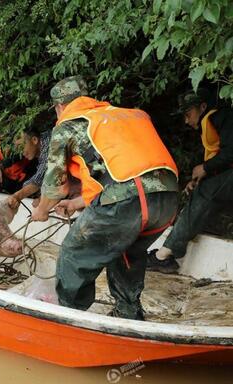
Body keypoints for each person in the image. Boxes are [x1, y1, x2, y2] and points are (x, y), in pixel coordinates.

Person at [31, 75, 179, 320]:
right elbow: (120, 174)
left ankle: (67, 318)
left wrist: (43, 209)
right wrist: (78, 203)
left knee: (73, 251)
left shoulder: (68, 125)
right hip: (166, 198)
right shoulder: (121, 115)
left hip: (126, 200)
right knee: (126, 251)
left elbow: (56, 187)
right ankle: (129, 314)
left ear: (59, 107)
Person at [147, 89, 233, 273]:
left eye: (188, 114)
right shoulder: (209, 123)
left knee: (205, 191)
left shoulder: (222, 117)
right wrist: (202, 174)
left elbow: (231, 153)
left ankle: (164, 255)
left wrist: (206, 168)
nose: (186, 121)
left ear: (202, 106)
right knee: (201, 189)